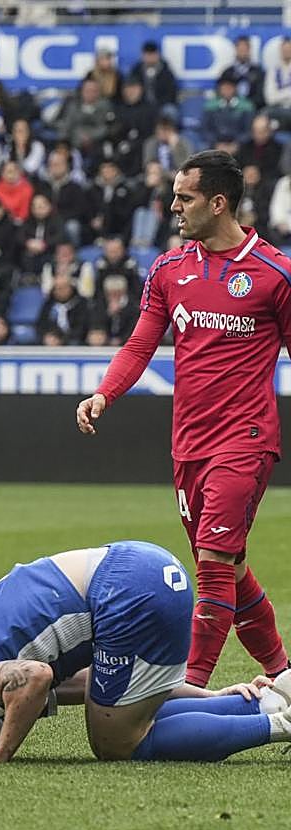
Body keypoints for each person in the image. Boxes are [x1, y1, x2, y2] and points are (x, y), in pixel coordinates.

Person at [76, 150, 291, 688]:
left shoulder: (273, 273)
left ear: (218, 203)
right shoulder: (170, 269)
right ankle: (283, 676)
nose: (172, 206)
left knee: (214, 563)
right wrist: (105, 393)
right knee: (232, 570)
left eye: (184, 197)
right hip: (188, 446)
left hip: (245, 439)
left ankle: (188, 687)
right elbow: (140, 344)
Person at [0, 540, 291, 763]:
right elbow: (81, 686)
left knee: (117, 744)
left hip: (121, 591)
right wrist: (212, 697)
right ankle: (266, 702)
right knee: (127, 715)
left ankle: (278, 725)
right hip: (148, 566)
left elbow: (34, 678)